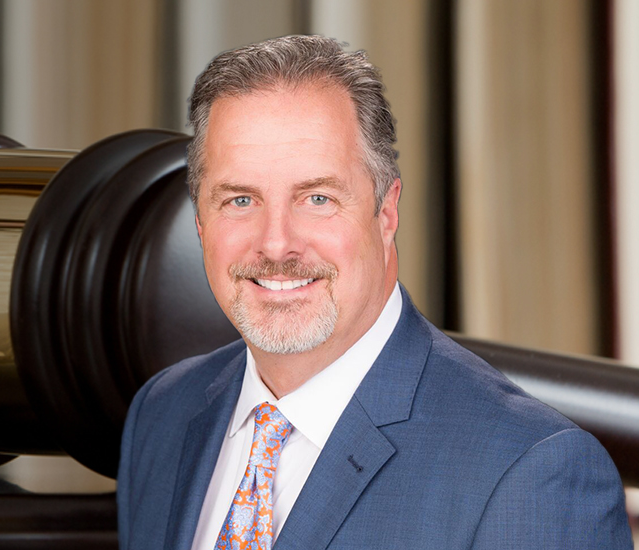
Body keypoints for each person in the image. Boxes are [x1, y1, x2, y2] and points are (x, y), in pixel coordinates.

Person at [117, 35, 630, 550]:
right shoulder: (162, 414)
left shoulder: (531, 472)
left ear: (386, 213)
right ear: (201, 222)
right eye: (240, 199)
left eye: (317, 198)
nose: (276, 243)